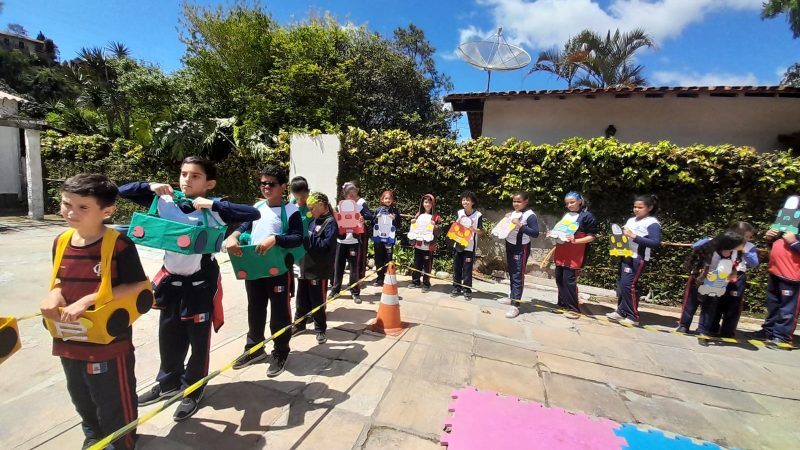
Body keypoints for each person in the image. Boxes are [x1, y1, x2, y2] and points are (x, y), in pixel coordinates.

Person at [119, 156, 260, 421]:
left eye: (195, 176)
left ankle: (193, 390)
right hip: (171, 284)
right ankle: (168, 383)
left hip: (200, 285)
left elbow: (253, 214)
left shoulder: (215, 210)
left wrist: (213, 203)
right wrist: (150, 186)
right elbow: (121, 191)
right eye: (184, 174)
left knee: (198, 341)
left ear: (209, 183)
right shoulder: (166, 202)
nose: (187, 180)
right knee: (168, 335)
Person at [41, 174, 147, 449]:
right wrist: (54, 295)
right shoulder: (61, 241)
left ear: (107, 211)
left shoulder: (118, 244)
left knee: (113, 396)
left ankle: (121, 441)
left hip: (109, 341)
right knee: (80, 393)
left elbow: (137, 285)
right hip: (69, 336)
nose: (70, 212)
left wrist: (89, 299)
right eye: (66, 204)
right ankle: (93, 435)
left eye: (82, 207)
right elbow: (60, 280)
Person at [225, 165, 303, 376]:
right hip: (254, 267)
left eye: (271, 184)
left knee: (280, 312)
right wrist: (233, 236)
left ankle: (280, 351)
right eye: (263, 183)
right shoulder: (257, 206)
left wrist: (276, 239)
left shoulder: (291, 211)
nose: (266, 187)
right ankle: (255, 349)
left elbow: (298, 238)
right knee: (255, 308)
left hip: (278, 270)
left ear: (283, 187)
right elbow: (244, 226)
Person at [606, 194, 661, 326]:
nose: (636, 209)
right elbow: (624, 235)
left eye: (640, 207)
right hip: (625, 255)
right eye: (635, 207)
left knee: (628, 285)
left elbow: (655, 243)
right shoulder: (631, 220)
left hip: (638, 258)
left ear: (650, 208)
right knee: (621, 285)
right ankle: (621, 311)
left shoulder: (652, 223)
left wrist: (633, 236)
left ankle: (633, 316)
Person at [677, 231, 744, 339]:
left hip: (717, 283)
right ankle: (684, 325)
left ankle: (703, 330)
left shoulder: (736, 253)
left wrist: (731, 274)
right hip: (699, 279)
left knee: (710, 306)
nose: (742, 245)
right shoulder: (709, 247)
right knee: (691, 303)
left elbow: (734, 268)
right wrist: (701, 272)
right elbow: (694, 262)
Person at [293, 192, 338, 344]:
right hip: (305, 265)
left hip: (318, 269)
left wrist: (310, 237)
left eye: (312, 208)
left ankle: (320, 329)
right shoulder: (312, 220)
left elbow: (327, 246)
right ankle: (299, 324)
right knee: (301, 298)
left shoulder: (330, 222)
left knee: (317, 301)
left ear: (321, 205)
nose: (310, 211)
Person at [552, 192, 597, 319]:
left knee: (569, 281)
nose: (569, 205)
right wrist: (553, 233)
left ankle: (573, 309)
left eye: (572, 202)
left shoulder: (587, 216)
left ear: (579, 201)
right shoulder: (566, 215)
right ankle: (562, 304)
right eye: (567, 203)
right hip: (561, 251)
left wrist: (576, 240)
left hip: (575, 254)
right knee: (559, 279)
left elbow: (591, 236)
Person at [710, 222, 759, 338]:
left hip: (738, 276)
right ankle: (712, 327)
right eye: (745, 236)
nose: (747, 239)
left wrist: (745, 252)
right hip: (722, 273)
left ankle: (727, 331)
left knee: (733, 304)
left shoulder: (749, 247)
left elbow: (754, 263)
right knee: (716, 301)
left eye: (749, 237)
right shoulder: (725, 241)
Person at [330, 181, 373, 303]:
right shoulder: (338, 208)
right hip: (341, 242)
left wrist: (362, 221)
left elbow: (364, 222)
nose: (353, 198)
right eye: (351, 196)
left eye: (355, 196)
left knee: (354, 269)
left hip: (354, 242)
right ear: (345, 195)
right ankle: (335, 290)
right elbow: (334, 224)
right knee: (338, 267)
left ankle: (355, 292)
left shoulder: (359, 208)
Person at [498, 191, 540, 318]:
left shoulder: (530, 215)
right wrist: (507, 219)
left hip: (521, 247)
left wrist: (520, 224)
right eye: (514, 201)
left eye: (519, 201)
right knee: (512, 272)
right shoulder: (514, 213)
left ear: (526, 201)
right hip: (510, 244)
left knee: (518, 274)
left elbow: (535, 233)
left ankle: (515, 305)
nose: (516, 204)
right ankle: (512, 297)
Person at [761, 223, 800, 347]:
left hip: (792, 277)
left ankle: (781, 337)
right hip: (775, 272)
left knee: (787, 310)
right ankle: (768, 332)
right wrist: (769, 238)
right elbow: (779, 245)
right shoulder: (787, 225)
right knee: (773, 306)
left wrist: (794, 242)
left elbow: (792, 245)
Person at [451, 191, 483, 301]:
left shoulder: (478, 215)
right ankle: (456, 288)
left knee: (467, 269)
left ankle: (467, 290)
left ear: (473, 202)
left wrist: (473, 229)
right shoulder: (459, 212)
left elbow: (481, 231)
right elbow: (455, 227)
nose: (465, 202)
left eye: (468, 200)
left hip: (470, 246)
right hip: (458, 244)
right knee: (456, 267)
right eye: (463, 200)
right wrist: (456, 223)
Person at [408, 193, 442, 293]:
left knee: (427, 265)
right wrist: (412, 224)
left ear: (433, 204)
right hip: (418, 244)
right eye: (426, 202)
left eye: (430, 203)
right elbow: (414, 229)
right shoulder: (418, 215)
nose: (427, 204)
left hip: (428, 246)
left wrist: (435, 226)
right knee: (417, 263)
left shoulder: (436, 217)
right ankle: (415, 281)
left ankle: (426, 283)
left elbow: (440, 231)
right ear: (422, 203)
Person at [371, 190, 402, 287]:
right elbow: (372, 224)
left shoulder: (395, 211)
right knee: (378, 258)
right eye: (386, 198)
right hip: (379, 239)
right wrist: (376, 218)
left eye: (389, 198)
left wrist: (394, 219)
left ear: (392, 200)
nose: (388, 200)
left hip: (389, 239)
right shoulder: (378, 210)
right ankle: (380, 278)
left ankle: (388, 277)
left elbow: (399, 225)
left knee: (388, 258)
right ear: (382, 199)